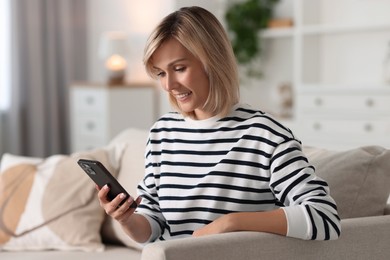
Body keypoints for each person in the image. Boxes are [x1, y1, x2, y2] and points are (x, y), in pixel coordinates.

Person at [97, 6, 341, 244]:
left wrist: (233, 223)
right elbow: (151, 225)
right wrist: (127, 219)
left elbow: (324, 217)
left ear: (212, 61)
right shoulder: (162, 133)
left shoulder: (264, 134)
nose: (169, 85)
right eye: (160, 73)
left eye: (179, 68)